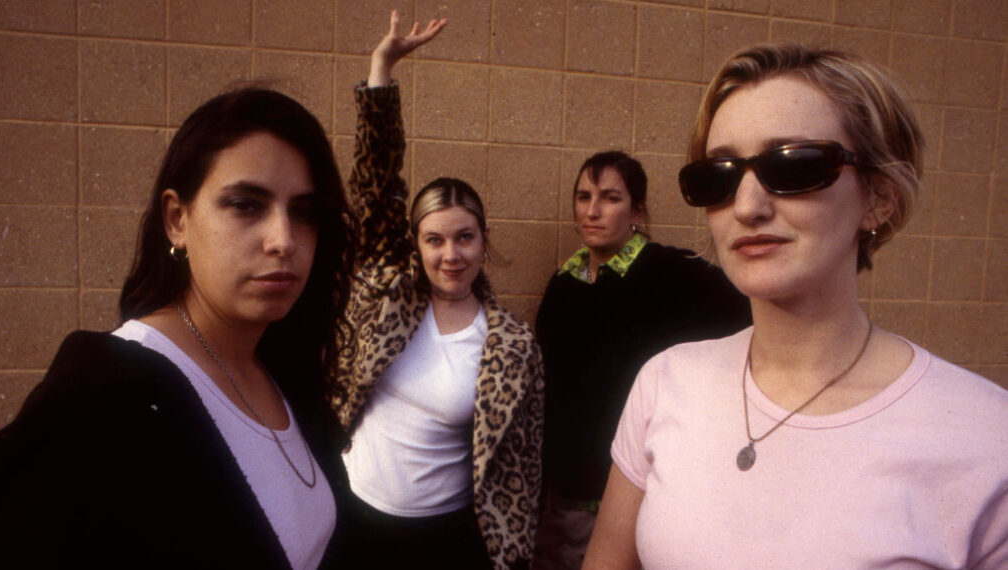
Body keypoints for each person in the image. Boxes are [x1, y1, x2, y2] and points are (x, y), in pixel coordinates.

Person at [582, 43, 1008, 569]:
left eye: (795, 165)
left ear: (878, 197)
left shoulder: (987, 438)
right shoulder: (666, 382)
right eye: (719, 174)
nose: (747, 205)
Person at [0, 87, 354, 569]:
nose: (283, 240)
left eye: (304, 213)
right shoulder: (107, 389)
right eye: (246, 204)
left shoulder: (280, 365)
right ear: (177, 219)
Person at [328, 11, 544, 570]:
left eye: (465, 237)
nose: (451, 255)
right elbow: (375, 184)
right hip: (353, 518)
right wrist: (382, 69)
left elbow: (520, 471)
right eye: (435, 240)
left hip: (444, 540)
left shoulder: (513, 347)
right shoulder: (388, 291)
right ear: (415, 244)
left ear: (483, 239)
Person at [533, 151, 750, 568]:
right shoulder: (563, 284)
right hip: (562, 502)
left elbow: (750, 314)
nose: (592, 211)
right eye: (583, 196)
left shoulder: (670, 273)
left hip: (631, 497)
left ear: (638, 210)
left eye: (610, 198)